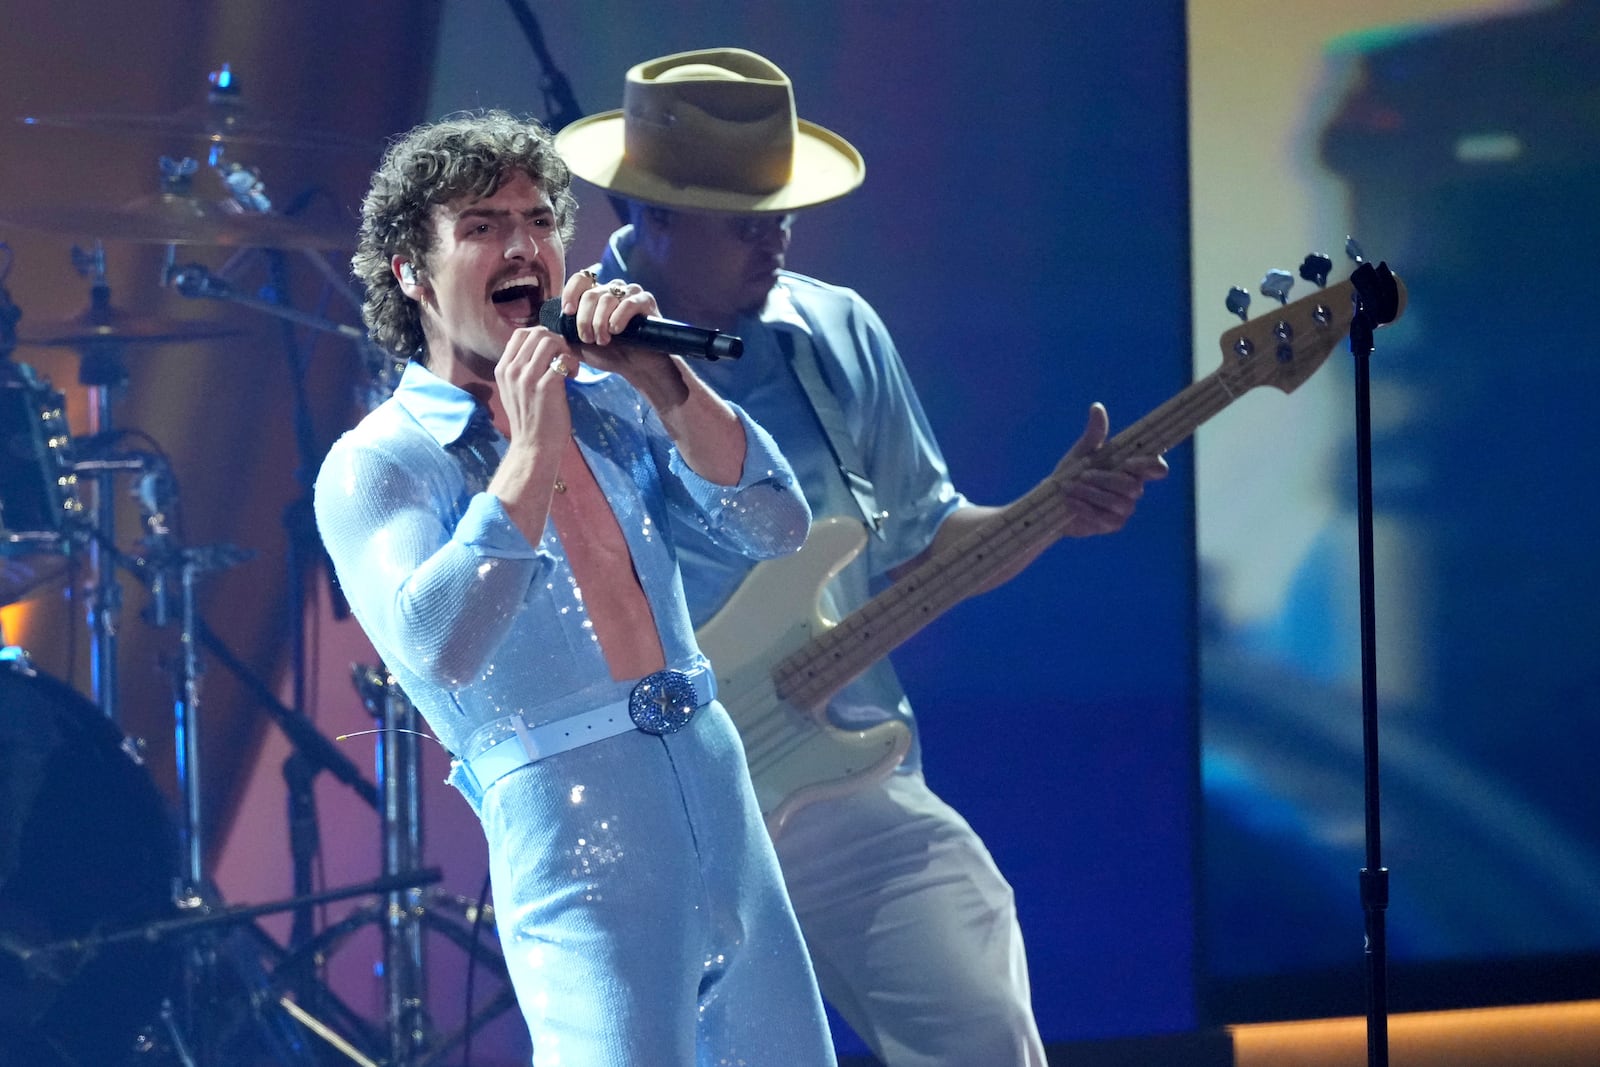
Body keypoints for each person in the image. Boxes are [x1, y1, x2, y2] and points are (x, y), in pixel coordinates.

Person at [555, 49, 1170, 1066]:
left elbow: (928, 541)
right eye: (744, 222)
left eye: (781, 214)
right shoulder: (557, 359)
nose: (776, 241)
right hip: (655, 806)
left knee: (981, 1026)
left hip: (843, 775)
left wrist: (1053, 510)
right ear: (648, 214)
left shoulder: (834, 328)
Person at [313, 110, 838, 1066]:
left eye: (539, 220)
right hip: (578, 841)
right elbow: (439, 646)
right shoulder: (379, 463)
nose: (524, 245)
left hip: (722, 801)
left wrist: (664, 379)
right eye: (481, 226)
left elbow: (777, 524)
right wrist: (529, 446)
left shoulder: (615, 400)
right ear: (411, 274)